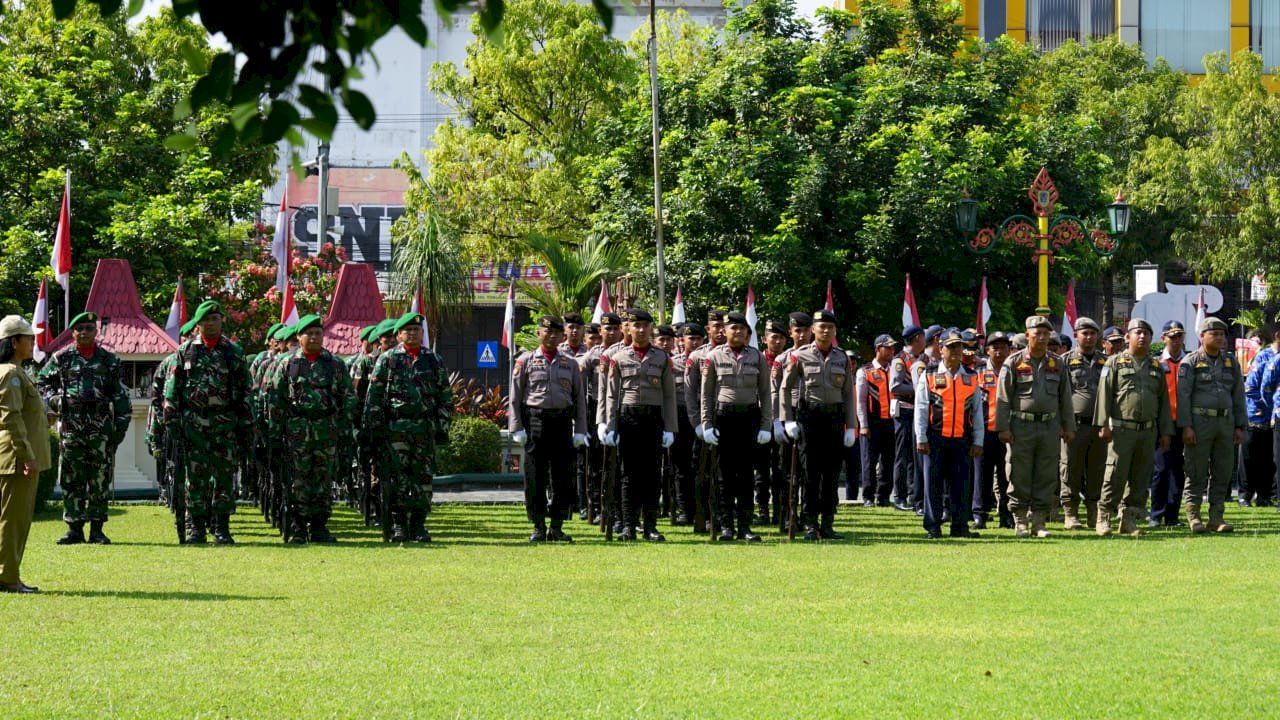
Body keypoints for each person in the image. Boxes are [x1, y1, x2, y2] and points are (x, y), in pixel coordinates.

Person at [36, 312, 131, 545]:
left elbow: (120, 396)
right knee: (71, 479)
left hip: (100, 427)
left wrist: (118, 429)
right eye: (80, 329)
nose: (85, 332)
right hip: (71, 426)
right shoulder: (61, 359)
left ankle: (97, 530)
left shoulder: (110, 360)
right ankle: (74, 529)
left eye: (89, 328)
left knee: (99, 479)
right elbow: (41, 383)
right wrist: (57, 401)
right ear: (73, 332)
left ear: (96, 331)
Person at [164, 301, 252, 544]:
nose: (210, 323)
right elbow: (173, 390)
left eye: (215, 319)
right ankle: (197, 528)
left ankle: (221, 527)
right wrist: (171, 421)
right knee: (196, 479)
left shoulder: (233, 352)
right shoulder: (185, 351)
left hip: (225, 424)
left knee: (224, 477)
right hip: (194, 425)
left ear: (222, 320)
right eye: (206, 320)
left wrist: (246, 424)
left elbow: (245, 390)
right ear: (199, 324)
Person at [266, 315, 356, 543]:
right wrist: (275, 434)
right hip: (296, 432)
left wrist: (344, 431)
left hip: (326, 431)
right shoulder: (287, 364)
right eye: (309, 333)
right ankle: (297, 526)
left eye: (318, 333)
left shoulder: (335, 364)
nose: (314, 337)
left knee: (323, 479)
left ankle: (318, 526)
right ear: (299, 337)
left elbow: (347, 399)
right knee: (298, 479)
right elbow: (275, 400)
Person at [364, 312, 452, 543]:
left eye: (416, 330)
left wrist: (441, 426)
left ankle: (419, 524)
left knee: (423, 479)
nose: (412, 333)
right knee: (397, 479)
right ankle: (399, 524)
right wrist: (374, 429)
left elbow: (445, 397)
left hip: (424, 429)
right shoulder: (388, 360)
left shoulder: (433, 360)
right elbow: (374, 397)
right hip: (396, 430)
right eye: (407, 330)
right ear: (399, 334)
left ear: (422, 333)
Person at [995, 315, 1076, 538]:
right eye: (1037, 333)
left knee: (1047, 474)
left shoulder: (1057, 363)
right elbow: (1003, 398)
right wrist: (1003, 427)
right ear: (1027, 334)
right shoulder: (1013, 362)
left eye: (1046, 334)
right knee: (1018, 472)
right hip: (1021, 426)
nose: (1041, 338)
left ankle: (1039, 522)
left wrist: (1069, 426)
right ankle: (1020, 521)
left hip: (1050, 427)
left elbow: (1065, 398)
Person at [510, 316, 589, 542]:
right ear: (539, 333)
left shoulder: (570, 363)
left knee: (562, 477)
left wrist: (580, 430)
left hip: (562, 422)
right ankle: (537, 525)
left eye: (556, 332)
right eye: (547, 331)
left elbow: (579, 399)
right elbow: (515, 397)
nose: (552, 336)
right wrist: (516, 427)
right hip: (535, 421)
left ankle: (557, 526)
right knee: (535, 477)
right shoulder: (524, 361)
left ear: (562, 335)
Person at [779, 309, 856, 541]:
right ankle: (810, 523)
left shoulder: (841, 357)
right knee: (811, 474)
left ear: (834, 331)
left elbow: (848, 394)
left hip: (833, 420)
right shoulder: (800, 356)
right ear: (813, 329)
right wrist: (788, 419)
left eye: (830, 327)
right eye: (821, 327)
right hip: (809, 419)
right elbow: (785, 387)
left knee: (831, 475)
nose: (825, 331)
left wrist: (851, 426)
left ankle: (828, 524)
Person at [602, 308, 677, 542]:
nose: (641, 330)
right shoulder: (618, 358)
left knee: (653, 475)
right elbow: (611, 395)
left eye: (645, 325)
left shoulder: (662, 358)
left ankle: (650, 526)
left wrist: (670, 428)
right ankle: (628, 525)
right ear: (629, 328)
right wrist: (609, 426)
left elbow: (669, 396)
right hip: (628, 418)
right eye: (636, 325)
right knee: (628, 475)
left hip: (653, 419)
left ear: (651, 328)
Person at [1094, 319, 1173, 537]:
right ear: (1128, 337)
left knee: (1141, 476)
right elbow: (1104, 395)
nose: (1143, 337)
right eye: (1138, 332)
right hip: (1121, 429)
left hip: (1148, 431)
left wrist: (1165, 432)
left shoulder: (1157, 366)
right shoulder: (1114, 363)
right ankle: (1104, 517)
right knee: (1115, 474)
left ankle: (1128, 519)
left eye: (1147, 333)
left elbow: (1163, 403)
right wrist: (1102, 424)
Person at [700, 311, 772, 542]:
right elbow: (706, 394)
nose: (737, 332)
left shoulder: (757, 357)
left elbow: (765, 393)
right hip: (724, 418)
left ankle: (745, 526)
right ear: (725, 331)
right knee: (724, 475)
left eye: (742, 328)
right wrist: (707, 424)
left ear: (747, 333)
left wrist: (765, 425)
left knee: (746, 476)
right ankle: (727, 526)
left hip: (749, 418)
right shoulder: (714, 356)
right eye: (733, 328)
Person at [1177, 316, 1246, 534]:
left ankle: (1216, 517)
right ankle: (1194, 516)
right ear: (1202, 336)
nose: (1219, 338)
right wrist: (1186, 426)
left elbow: (1238, 395)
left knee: (1222, 471)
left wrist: (1239, 425)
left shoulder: (1231, 362)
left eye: (1221, 334)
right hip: (1199, 423)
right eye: (1213, 334)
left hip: (1225, 423)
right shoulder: (1190, 361)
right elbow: (1183, 396)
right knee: (1195, 470)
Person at [914, 328, 983, 539]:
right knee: (932, 484)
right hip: (935, 439)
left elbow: (978, 412)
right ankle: (933, 527)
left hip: (962, 439)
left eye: (959, 347)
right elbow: (921, 408)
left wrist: (978, 440)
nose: (955, 351)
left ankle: (960, 526)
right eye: (951, 347)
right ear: (940, 349)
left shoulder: (972, 377)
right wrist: (921, 437)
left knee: (962, 485)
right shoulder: (929, 374)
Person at [0, 316, 50, 593]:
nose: (33, 342)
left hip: (14, 456)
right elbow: (11, 418)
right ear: (13, 341)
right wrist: (27, 455)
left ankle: (7, 574)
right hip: (17, 458)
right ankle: (7, 578)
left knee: (11, 519)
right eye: (28, 337)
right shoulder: (10, 374)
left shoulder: (14, 372)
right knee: (13, 521)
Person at [1059, 317, 1108, 530]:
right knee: (1070, 469)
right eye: (1084, 333)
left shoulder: (1107, 362)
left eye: (1092, 333)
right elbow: (1060, 395)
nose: (1089, 337)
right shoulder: (1065, 361)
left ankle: (1093, 513)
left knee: (1097, 470)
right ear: (1076, 335)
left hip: (1099, 427)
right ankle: (1071, 513)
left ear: (1098, 336)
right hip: (1074, 426)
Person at [1150, 320, 1188, 527]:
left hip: (1184, 424)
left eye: (1179, 336)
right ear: (1163, 338)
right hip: (1162, 424)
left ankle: (1172, 515)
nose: (1176, 340)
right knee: (1161, 468)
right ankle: (1156, 513)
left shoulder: (1190, 361)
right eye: (1172, 336)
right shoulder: (1155, 362)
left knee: (1178, 470)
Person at [975, 331, 1011, 529]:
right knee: (982, 475)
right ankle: (980, 514)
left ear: (1009, 350)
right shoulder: (978, 372)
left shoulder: (1014, 370)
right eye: (995, 347)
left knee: (1007, 476)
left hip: (1007, 431)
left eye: (1003, 347)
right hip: (984, 431)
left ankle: (1006, 515)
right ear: (987, 350)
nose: (999, 351)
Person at [857, 334, 898, 508]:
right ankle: (868, 496)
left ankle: (883, 496)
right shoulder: (865, 371)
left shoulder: (895, 369)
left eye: (892, 348)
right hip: (872, 423)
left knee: (888, 461)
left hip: (891, 421)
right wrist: (864, 425)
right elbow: (860, 401)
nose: (891, 351)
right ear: (877, 349)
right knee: (869, 461)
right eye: (887, 347)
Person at [1241, 327, 1277, 506]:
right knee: (1249, 457)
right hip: (1257, 414)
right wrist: (1262, 408)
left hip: (1274, 417)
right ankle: (1245, 495)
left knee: (1268, 458)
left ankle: (1264, 496)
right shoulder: (1264, 356)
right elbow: (1251, 387)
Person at [890, 324, 925, 512]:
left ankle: (913, 493)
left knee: (915, 455)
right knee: (902, 454)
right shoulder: (900, 360)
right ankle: (899, 495)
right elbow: (895, 387)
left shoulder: (922, 358)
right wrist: (922, 389)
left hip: (918, 411)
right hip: (904, 411)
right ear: (918, 338)